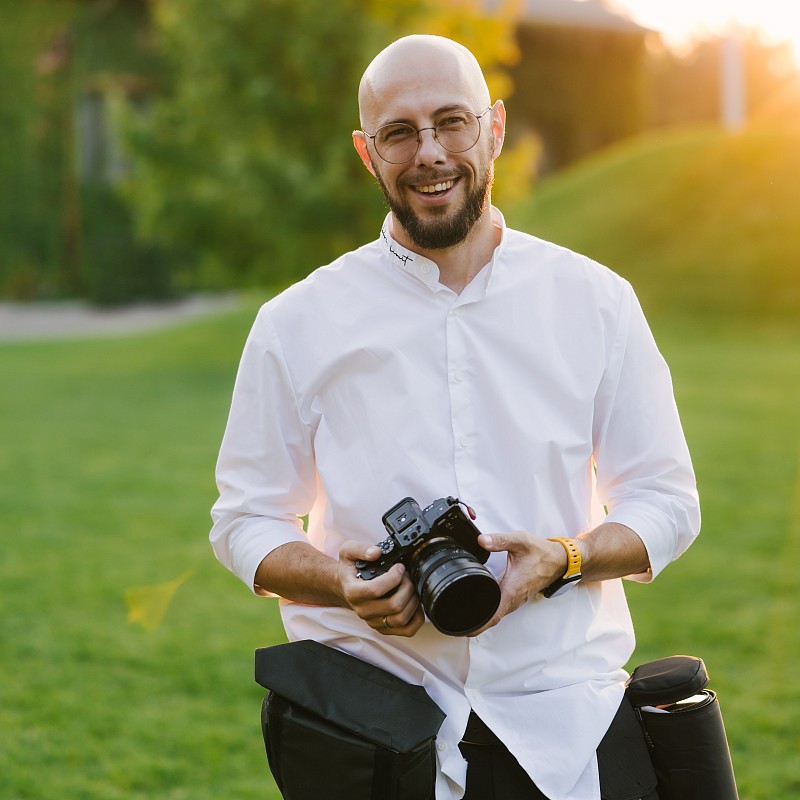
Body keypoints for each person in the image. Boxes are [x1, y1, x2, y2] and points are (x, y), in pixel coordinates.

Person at [210, 34, 700, 800]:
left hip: (567, 723)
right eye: (399, 133)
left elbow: (668, 503)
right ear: (367, 153)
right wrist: (343, 582)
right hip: (370, 737)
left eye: (452, 122)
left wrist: (564, 560)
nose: (430, 152)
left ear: (494, 127)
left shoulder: (596, 301)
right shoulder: (294, 322)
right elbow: (244, 521)